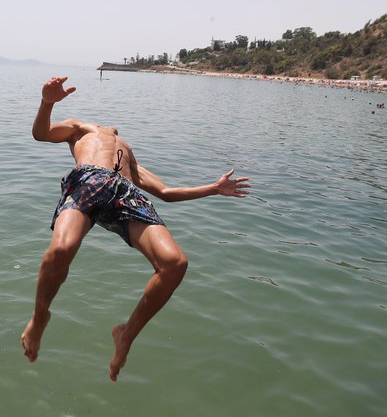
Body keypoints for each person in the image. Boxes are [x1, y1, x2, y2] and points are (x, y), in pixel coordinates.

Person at [20, 76, 251, 381]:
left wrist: (213, 188)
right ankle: (39, 318)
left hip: (124, 193)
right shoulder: (80, 129)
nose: (110, 127)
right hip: (88, 180)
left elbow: (166, 192)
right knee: (61, 249)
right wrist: (47, 103)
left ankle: (126, 335)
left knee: (175, 264)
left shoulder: (127, 152)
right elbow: (41, 134)